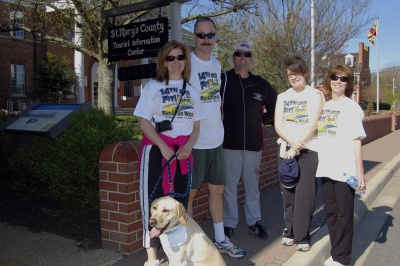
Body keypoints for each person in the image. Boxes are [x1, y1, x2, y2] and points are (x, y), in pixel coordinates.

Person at [134, 40, 203, 266]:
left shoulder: (192, 90)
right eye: (171, 58)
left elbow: (196, 128)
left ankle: (177, 254)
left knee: (178, 204)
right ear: (164, 61)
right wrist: (162, 147)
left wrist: (189, 146)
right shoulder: (153, 87)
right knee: (152, 203)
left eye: (180, 58)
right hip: (156, 150)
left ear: (185, 61)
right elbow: (144, 122)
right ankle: (152, 258)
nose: (176, 62)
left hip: (183, 153)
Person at [187, 17, 246, 258]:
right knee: (188, 195)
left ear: (216, 36)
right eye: (201, 35)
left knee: (217, 191)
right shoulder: (185, 62)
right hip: (194, 142)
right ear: (194, 38)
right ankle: (188, 244)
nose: (206, 40)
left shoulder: (216, 65)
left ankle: (220, 239)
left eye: (210, 35)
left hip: (216, 141)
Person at [220, 43, 277, 239]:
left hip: (254, 145)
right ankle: (229, 224)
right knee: (229, 187)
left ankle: (254, 222)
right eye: (239, 54)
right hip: (229, 145)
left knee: (252, 188)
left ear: (251, 59)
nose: (242, 57)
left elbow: (275, 105)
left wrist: (262, 120)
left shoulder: (260, 83)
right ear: (233, 57)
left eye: (247, 54)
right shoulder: (224, 79)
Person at [317, 65, 366, 266]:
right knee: (331, 213)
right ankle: (336, 253)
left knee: (344, 214)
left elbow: (356, 140)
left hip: (345, 169)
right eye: (335, 77)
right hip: (326, 166)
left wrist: (360, 171)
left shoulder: (351, 107)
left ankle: (343, 258)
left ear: (348, 83)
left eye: (343, 78)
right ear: (329, 80)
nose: (338, 81)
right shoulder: (325, 106)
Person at [274, 55, 324, 252]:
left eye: (296, 74)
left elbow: (313, 124)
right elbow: (278, 124)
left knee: (305, 195)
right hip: (286, 151)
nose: (293, 78)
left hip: (308, 151)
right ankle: (290, 232)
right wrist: (290, 145)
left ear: (304, 73)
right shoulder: (283, 97)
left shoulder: (315, 95)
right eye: (289, 75)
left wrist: (297, 147)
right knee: (288, 194)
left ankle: (303, 237)